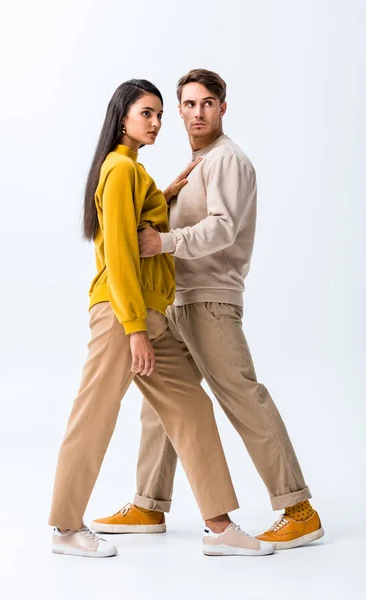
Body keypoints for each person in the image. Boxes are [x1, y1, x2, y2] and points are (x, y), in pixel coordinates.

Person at [91, 70, 324, 551]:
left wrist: (164, 241)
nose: (198, 112)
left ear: (222, 108)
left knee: (242, 396)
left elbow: (223, 229)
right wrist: (169, 197)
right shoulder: (198, 164)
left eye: (208, 103)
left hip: (212, 300)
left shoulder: (228, 160)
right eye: (189, 104)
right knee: (165, 404)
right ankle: (149, 503)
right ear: (179, 110)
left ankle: (298, 508)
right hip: (179, 300)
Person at [48, 78, 275, 558]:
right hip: (121, 314)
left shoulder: (134, 172)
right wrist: (134, 330)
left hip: (150, 315)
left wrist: (163, 193)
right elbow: (123, 256)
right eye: (145, 114)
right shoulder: (118, 169)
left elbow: (141, 225)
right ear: (122, 117)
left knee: (191, 406)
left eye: (157, 115)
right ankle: (66, 528)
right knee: (95, 414)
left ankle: (219, 526)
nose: (155, 123)